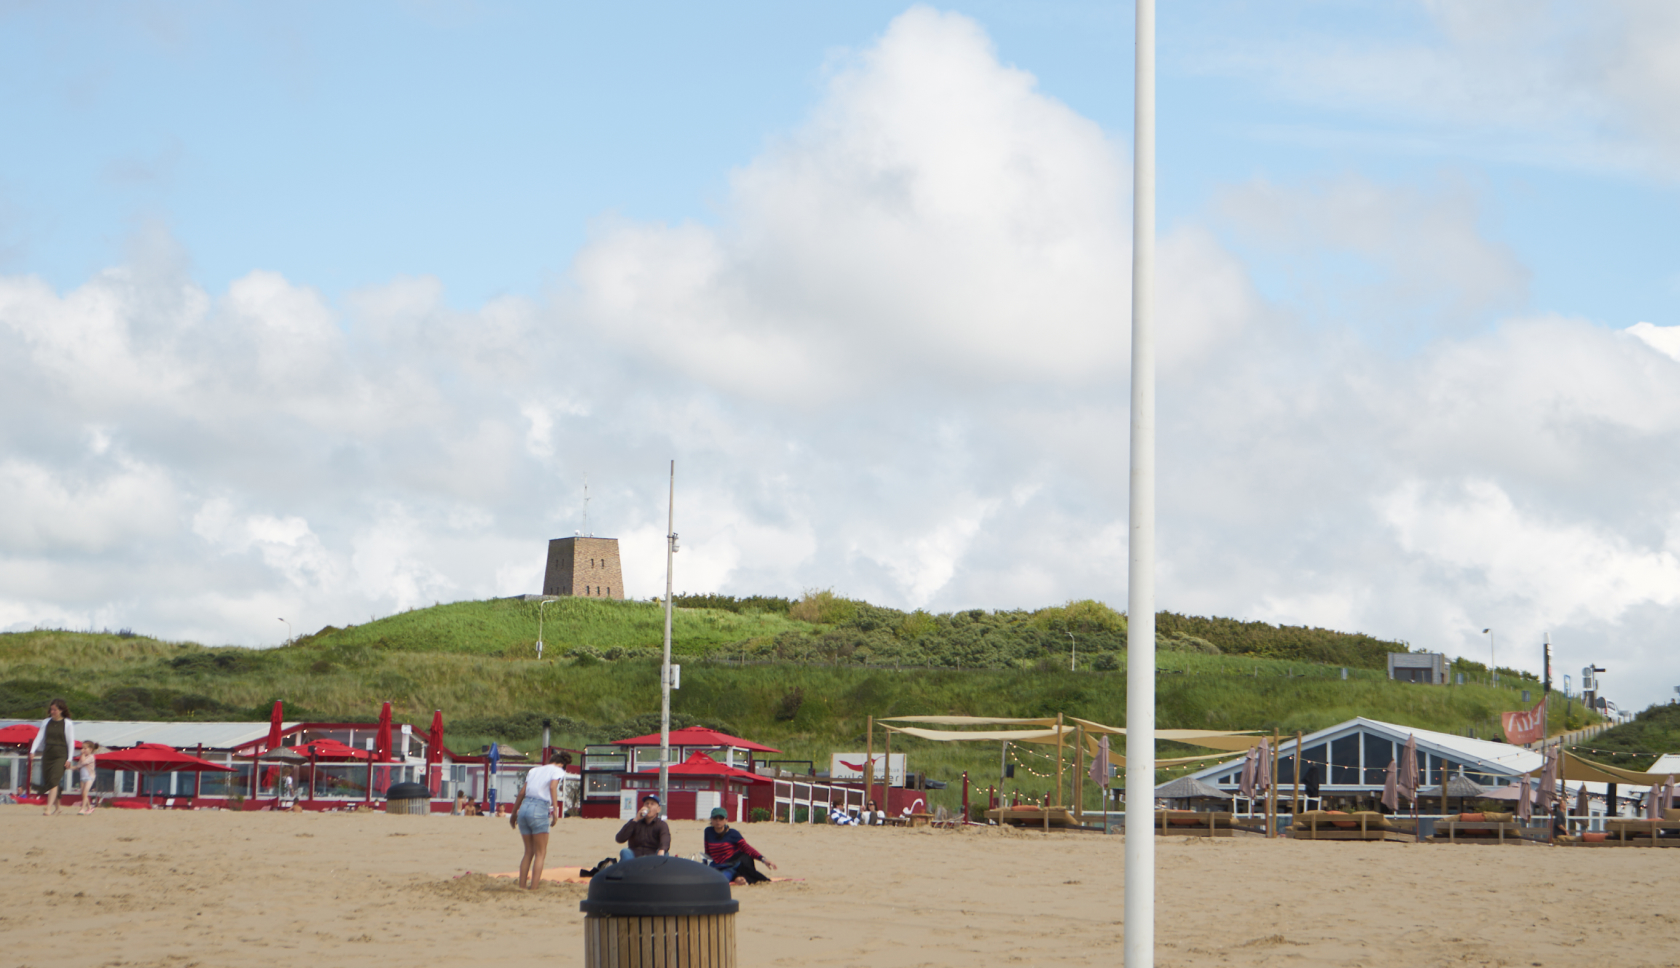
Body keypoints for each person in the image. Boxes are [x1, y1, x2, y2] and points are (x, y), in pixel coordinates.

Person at [509, 761, 567, 890]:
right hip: (539, 807)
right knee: (540, 853)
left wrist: (514, 813)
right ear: (561, 763)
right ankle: (534, 887)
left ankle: (522, 886)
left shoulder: (534, 770)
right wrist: (555, 810)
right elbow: (552, 787)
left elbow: (522, 792)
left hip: (524, 807)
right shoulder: (557, 770)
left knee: (528, 852)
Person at [702, 807, 777, 885]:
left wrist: (763, 859)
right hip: (714, 866)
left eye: (721, 818)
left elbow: (747, 848)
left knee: (720, 880)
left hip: (729, 866)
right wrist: (704, 866)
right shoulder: (708, 831)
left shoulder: (733, 834)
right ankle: (737, 878)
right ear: (711, 820)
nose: (718, 820)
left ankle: (737, 877)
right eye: (715, 818)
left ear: (726, 820)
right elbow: (707, 853)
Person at [28, 699, 75, 816]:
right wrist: (32, 751)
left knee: (54, 781)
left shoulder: (67, 723)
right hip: (48, 753)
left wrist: (69, 759)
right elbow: (39, 737)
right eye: (51, 709)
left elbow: (70, 742)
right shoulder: (46, 722)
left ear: (61, 710)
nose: (52, 711)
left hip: (61, 754)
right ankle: (58, 807)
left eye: (55, 710)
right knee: (50, 781)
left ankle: (48, 808)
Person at [615, 794, 671, 860]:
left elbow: (665, 839)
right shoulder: (635, 822)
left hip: (653, 857)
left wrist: (662, 849)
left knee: (665, 853)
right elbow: (619, 839)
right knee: (625, 851)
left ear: (658, 809)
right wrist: (635, 819)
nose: (649, 806)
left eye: (652, 804)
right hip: (635, 857)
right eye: (646, 804)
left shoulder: (661, 824)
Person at [76, 741, 100, 815]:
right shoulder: (83, 757)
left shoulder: (91, 757)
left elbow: (83, 762)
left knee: (84, 792)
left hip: (89, 777)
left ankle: (82, 809)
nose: (83, 750)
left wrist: (82, 754)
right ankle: (89, 808)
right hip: (83, 777)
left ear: (91, 749)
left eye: (85, 748)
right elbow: (79, 765)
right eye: (82, 748)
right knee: (83, 794)